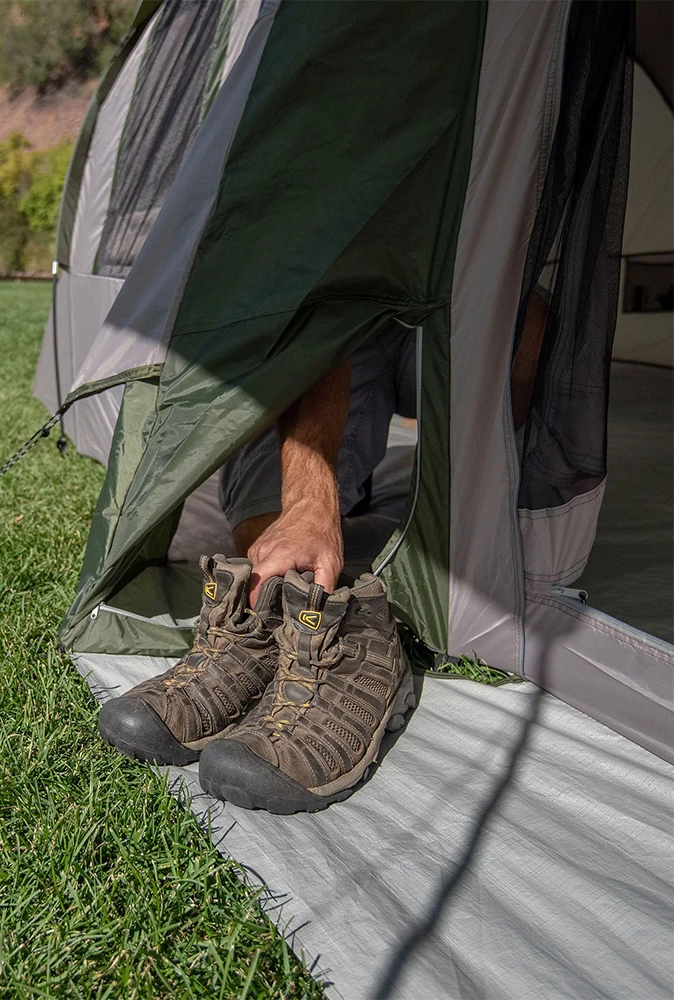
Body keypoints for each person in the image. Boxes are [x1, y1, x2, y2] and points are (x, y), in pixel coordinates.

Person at [99, 300, 547, 813]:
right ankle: (271, 628)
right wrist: (306, 501)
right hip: (343, 327)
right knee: (271, 534)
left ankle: (360, 645)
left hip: (455, 320)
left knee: (527, 318)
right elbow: (321, 303)